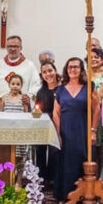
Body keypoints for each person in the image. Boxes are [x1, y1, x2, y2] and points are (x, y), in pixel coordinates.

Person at [53, 58, 99, 203]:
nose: (73, 69)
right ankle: (66, 194)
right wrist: (58, 134)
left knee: (83, 159)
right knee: (66, 161)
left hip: (83, 128)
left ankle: (84, 194)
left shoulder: (89, 86)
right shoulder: (60, 89)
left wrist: (93, 130)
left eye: (76, 67)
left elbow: (97, 109)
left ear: (81, 69)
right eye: (70, 67)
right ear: (66, 69)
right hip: (66, 130)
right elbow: (56, 113)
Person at [35, 60, 61, 188]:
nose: (48, 74)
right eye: (44, 72)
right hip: (43, 125)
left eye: (50, 71)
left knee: (54, 151)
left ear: (55, 71)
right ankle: (41, 178)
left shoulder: (62, 89)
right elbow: (38, 109)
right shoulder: (41, 92)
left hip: (58, 124)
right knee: (40, 150)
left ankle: (53, 178)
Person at [0, 35, 40, 101]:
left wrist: (28, 97)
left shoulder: (29, 65)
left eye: (16, 46)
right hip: (2, 105)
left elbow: (36, 85)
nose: (13, 49)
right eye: (10, 46)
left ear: (21, 48)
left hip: (22, 104)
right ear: (6, 47)